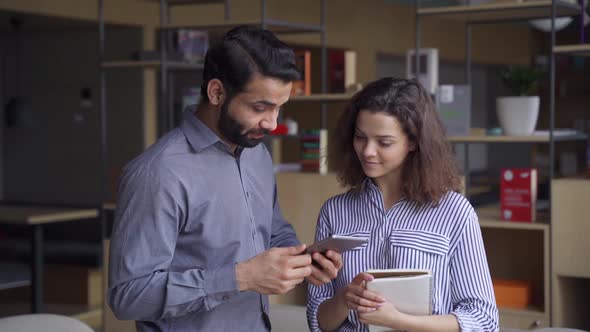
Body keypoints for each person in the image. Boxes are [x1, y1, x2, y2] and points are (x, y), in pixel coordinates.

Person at [108, 26, 342, 332]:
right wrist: (241, 277)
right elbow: (128, 296)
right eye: (260, 107)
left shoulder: (255, 153)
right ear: (216, 92)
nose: (272, 123)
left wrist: (303, 261)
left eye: (280, 108)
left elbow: (273, 231)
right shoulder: (158, 174)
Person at [307, 77, 499, 332]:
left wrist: (397, 321)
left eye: (384, 142)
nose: (367, 151)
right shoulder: (335, 212)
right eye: (360, 137)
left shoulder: (455, 212)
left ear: (413, 143)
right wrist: (343, 300)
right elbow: (317, 322)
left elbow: (484, 320)